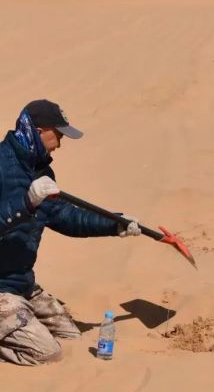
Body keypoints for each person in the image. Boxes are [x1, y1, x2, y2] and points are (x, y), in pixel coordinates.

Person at [0, 100, 141, 367]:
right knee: (47, 353)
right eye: (59, 135)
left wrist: (114, 224)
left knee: (72, 337)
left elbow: (64, 216)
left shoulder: (41, 171)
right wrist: (26, 204)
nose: (60, 144)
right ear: (38, 130)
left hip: (21, 286)